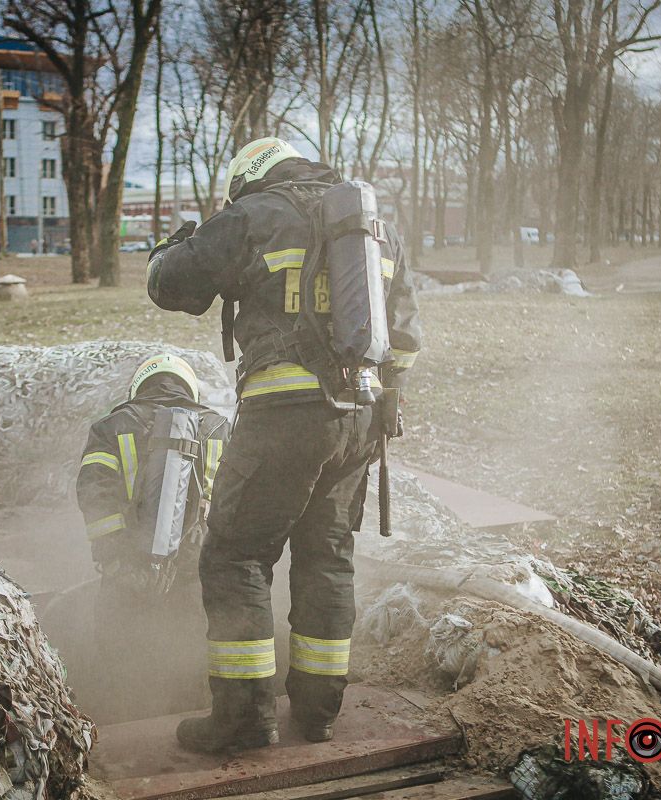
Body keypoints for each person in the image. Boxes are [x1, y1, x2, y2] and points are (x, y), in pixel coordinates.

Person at [145, 137, 422, 753]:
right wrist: (383, 402)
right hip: (361, 421)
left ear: (250, 176)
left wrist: (169, 247)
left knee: (236, 556)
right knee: (326, 557)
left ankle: (244, 720)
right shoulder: (373, 225)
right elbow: (404, 336)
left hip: (285, 417)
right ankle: (318, 712)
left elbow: (171, 286)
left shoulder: (253, 214)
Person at [75, 353, 230, 721]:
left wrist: (117, 557)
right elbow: (239, 501)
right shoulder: (218, 428)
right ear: (189, 388)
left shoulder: (111, 427)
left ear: (139, 386)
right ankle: (194, 727)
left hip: (127, 572)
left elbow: (95, 495)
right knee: (192, 658)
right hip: (197, 574)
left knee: (120, 661)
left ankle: (123, 728)